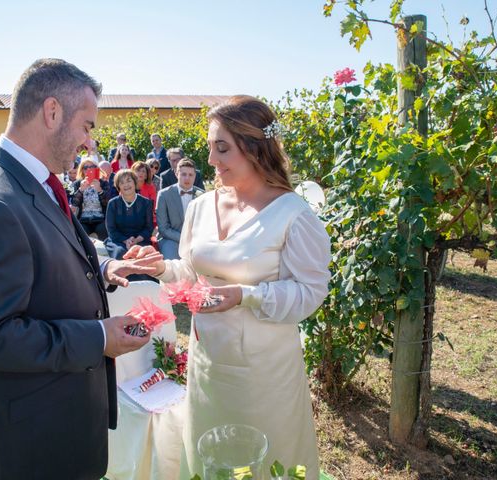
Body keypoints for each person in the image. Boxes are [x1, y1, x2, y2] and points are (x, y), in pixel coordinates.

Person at [0, 58, 161, 480]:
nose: (87, 142)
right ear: (51, 112)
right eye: (86, 126)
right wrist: (100, 337)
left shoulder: (26, 179)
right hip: (32, 442)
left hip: (55, 419)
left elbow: (48, 246)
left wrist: (104, 266)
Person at [126, 95, 331, 479]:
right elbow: (189, 269)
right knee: (210, 454)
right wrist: (160, 268)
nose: (212, 160)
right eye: (210, 147)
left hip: (263, 372)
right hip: (207, 363)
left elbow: (310, 292)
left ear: (255, 149)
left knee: (261, 460)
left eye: (223, 148)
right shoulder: (202, 206)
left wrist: (244, 295)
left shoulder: (293, 214)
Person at [155, 158, 204, 260]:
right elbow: (163, 228)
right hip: (170, 239)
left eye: (191, 175)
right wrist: (185, 238)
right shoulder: (164, 194)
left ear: (195, 176)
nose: (187, 178)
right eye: (183, 174)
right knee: (174, 264)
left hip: (196, 240)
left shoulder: (202, 195)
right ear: (177, 174)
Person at [105, 169, 153, 261]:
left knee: (141, 255)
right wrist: (126, 240)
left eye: (128, 181)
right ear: (118, 186)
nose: (126, 185)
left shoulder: (146, 203)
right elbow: (111, 229)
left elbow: (149, 228)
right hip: (118, 241)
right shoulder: (113, 203)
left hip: (140, 240)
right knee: (121, 254)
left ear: (135, 182)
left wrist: (136, 240)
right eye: (122, 183)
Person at [71, 157, 111, 240]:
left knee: (103, 231)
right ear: (82, 170)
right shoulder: (77, 183)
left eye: (92, 167)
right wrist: (81, 190)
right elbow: (74, 204)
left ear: (96, 168)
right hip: (83, 219)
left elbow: (108, 203)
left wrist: (100, 190)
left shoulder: (103, 183)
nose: (89, 169)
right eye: (85, 168)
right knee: (80, 236)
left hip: (100, 218)